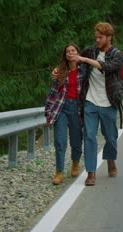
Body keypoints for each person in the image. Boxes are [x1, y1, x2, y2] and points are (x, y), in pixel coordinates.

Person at [52, 22, 123, 186]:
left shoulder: (117, 55)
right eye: (96, 37)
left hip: (109, 103)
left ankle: (111, 160)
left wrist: (84, 59)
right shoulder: (91, 51)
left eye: (101, 37)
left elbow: (106, 67)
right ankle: (91, 173)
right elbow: (71, 58)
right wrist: (57, 69)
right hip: (90, 102)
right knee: (90, 137)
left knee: (111, 138)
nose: (97, 40)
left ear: (109, 37)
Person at [44, 43, 85, 185]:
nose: (70, 53)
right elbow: (53, 93)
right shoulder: (60, 71)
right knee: (60, 141)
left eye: (73, 50)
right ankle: (59, 172)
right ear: (65, 55)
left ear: (78, 53)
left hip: (77, 109)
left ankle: (75, 162)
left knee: (76, 140)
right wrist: (48, 113)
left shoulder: (84, 70)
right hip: (61, 108)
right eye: (68, 51)